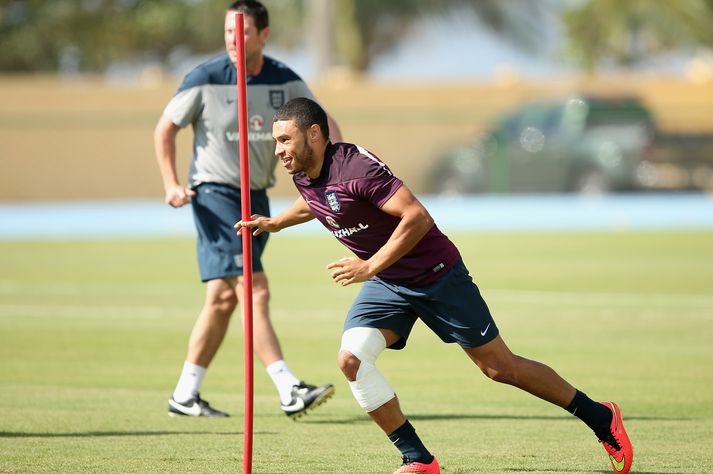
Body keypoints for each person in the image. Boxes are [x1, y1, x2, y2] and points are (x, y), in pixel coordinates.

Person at [235, 97, 634, 474]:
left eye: (285, 140)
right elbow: (316, 200)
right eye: (276, 141)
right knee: (351, 360)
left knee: (500, 368)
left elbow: (417, 216)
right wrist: (276, 222)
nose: (278, 150)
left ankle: (601, 417)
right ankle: (418, 459)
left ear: (314, 134)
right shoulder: (304, 172)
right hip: (388, 283)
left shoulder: (356, 168)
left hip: (437, 275)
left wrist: (370, 264)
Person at [153, 1, 340, 419]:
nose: (233, 40)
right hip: (216, 194)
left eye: (242, 33)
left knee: (222, 298)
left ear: (264, 36)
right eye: (227, 33)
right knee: (255, 287)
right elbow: (165, 129)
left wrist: (335, 176)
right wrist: (171, 183)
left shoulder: (284, 79)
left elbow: (324, 125)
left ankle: (184, 395)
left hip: (257, 197)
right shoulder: (204, 78)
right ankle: (289, 388)